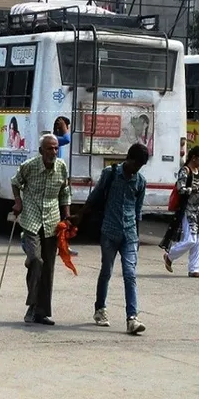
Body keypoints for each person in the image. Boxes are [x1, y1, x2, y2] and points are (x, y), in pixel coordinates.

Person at [77, 143, 149, 335]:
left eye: (141, 166)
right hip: (109, 231)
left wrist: (137, 239)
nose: (137, 169)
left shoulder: (140, 181)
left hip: (130, 234)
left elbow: (138, 211)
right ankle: (100, 309)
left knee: (130, 274)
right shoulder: (110, 174)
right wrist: (79, 217)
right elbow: (95, 197)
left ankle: (132, 318)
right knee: (106, 271)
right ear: (129, 158)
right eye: (136, 164)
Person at [11, 134, 71, 326]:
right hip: (31, 220)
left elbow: (65, 193)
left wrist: (67, 217)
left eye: (55, 148)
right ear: (41, 151)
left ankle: (42, 312)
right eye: (49, 149)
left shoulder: (61, 167)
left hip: (52, 221)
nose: (53, 152)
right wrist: (18, 201)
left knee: (48, 268)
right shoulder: (30, 166)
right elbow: (15, 181)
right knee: (36, 261)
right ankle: (32, 305)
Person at [164, 145, 199, 277]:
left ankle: (194, 268)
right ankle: (170, 255)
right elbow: (180, 188)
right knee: (191, 240)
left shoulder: (198, 170)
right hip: (188, 210)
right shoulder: (185, 171)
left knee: (198, 241)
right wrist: (193, 190)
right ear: (194, 158)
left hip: (198, 210)